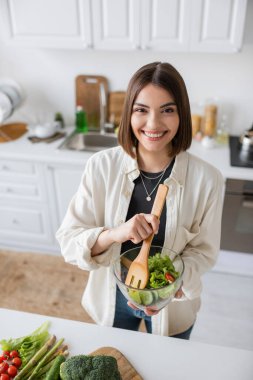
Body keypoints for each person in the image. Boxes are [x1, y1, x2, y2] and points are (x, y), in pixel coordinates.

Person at [56, 62, 224, 339]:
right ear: (128, 114)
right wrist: (114, 234)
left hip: (174, 303)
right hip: (112, 296)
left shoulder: (208, 180)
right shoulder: (100, 166)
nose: (153, 124)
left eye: (167, 110)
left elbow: (204, 252)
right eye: (141, 110)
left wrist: (168, 288)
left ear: (182, 114)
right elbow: (69, 241)